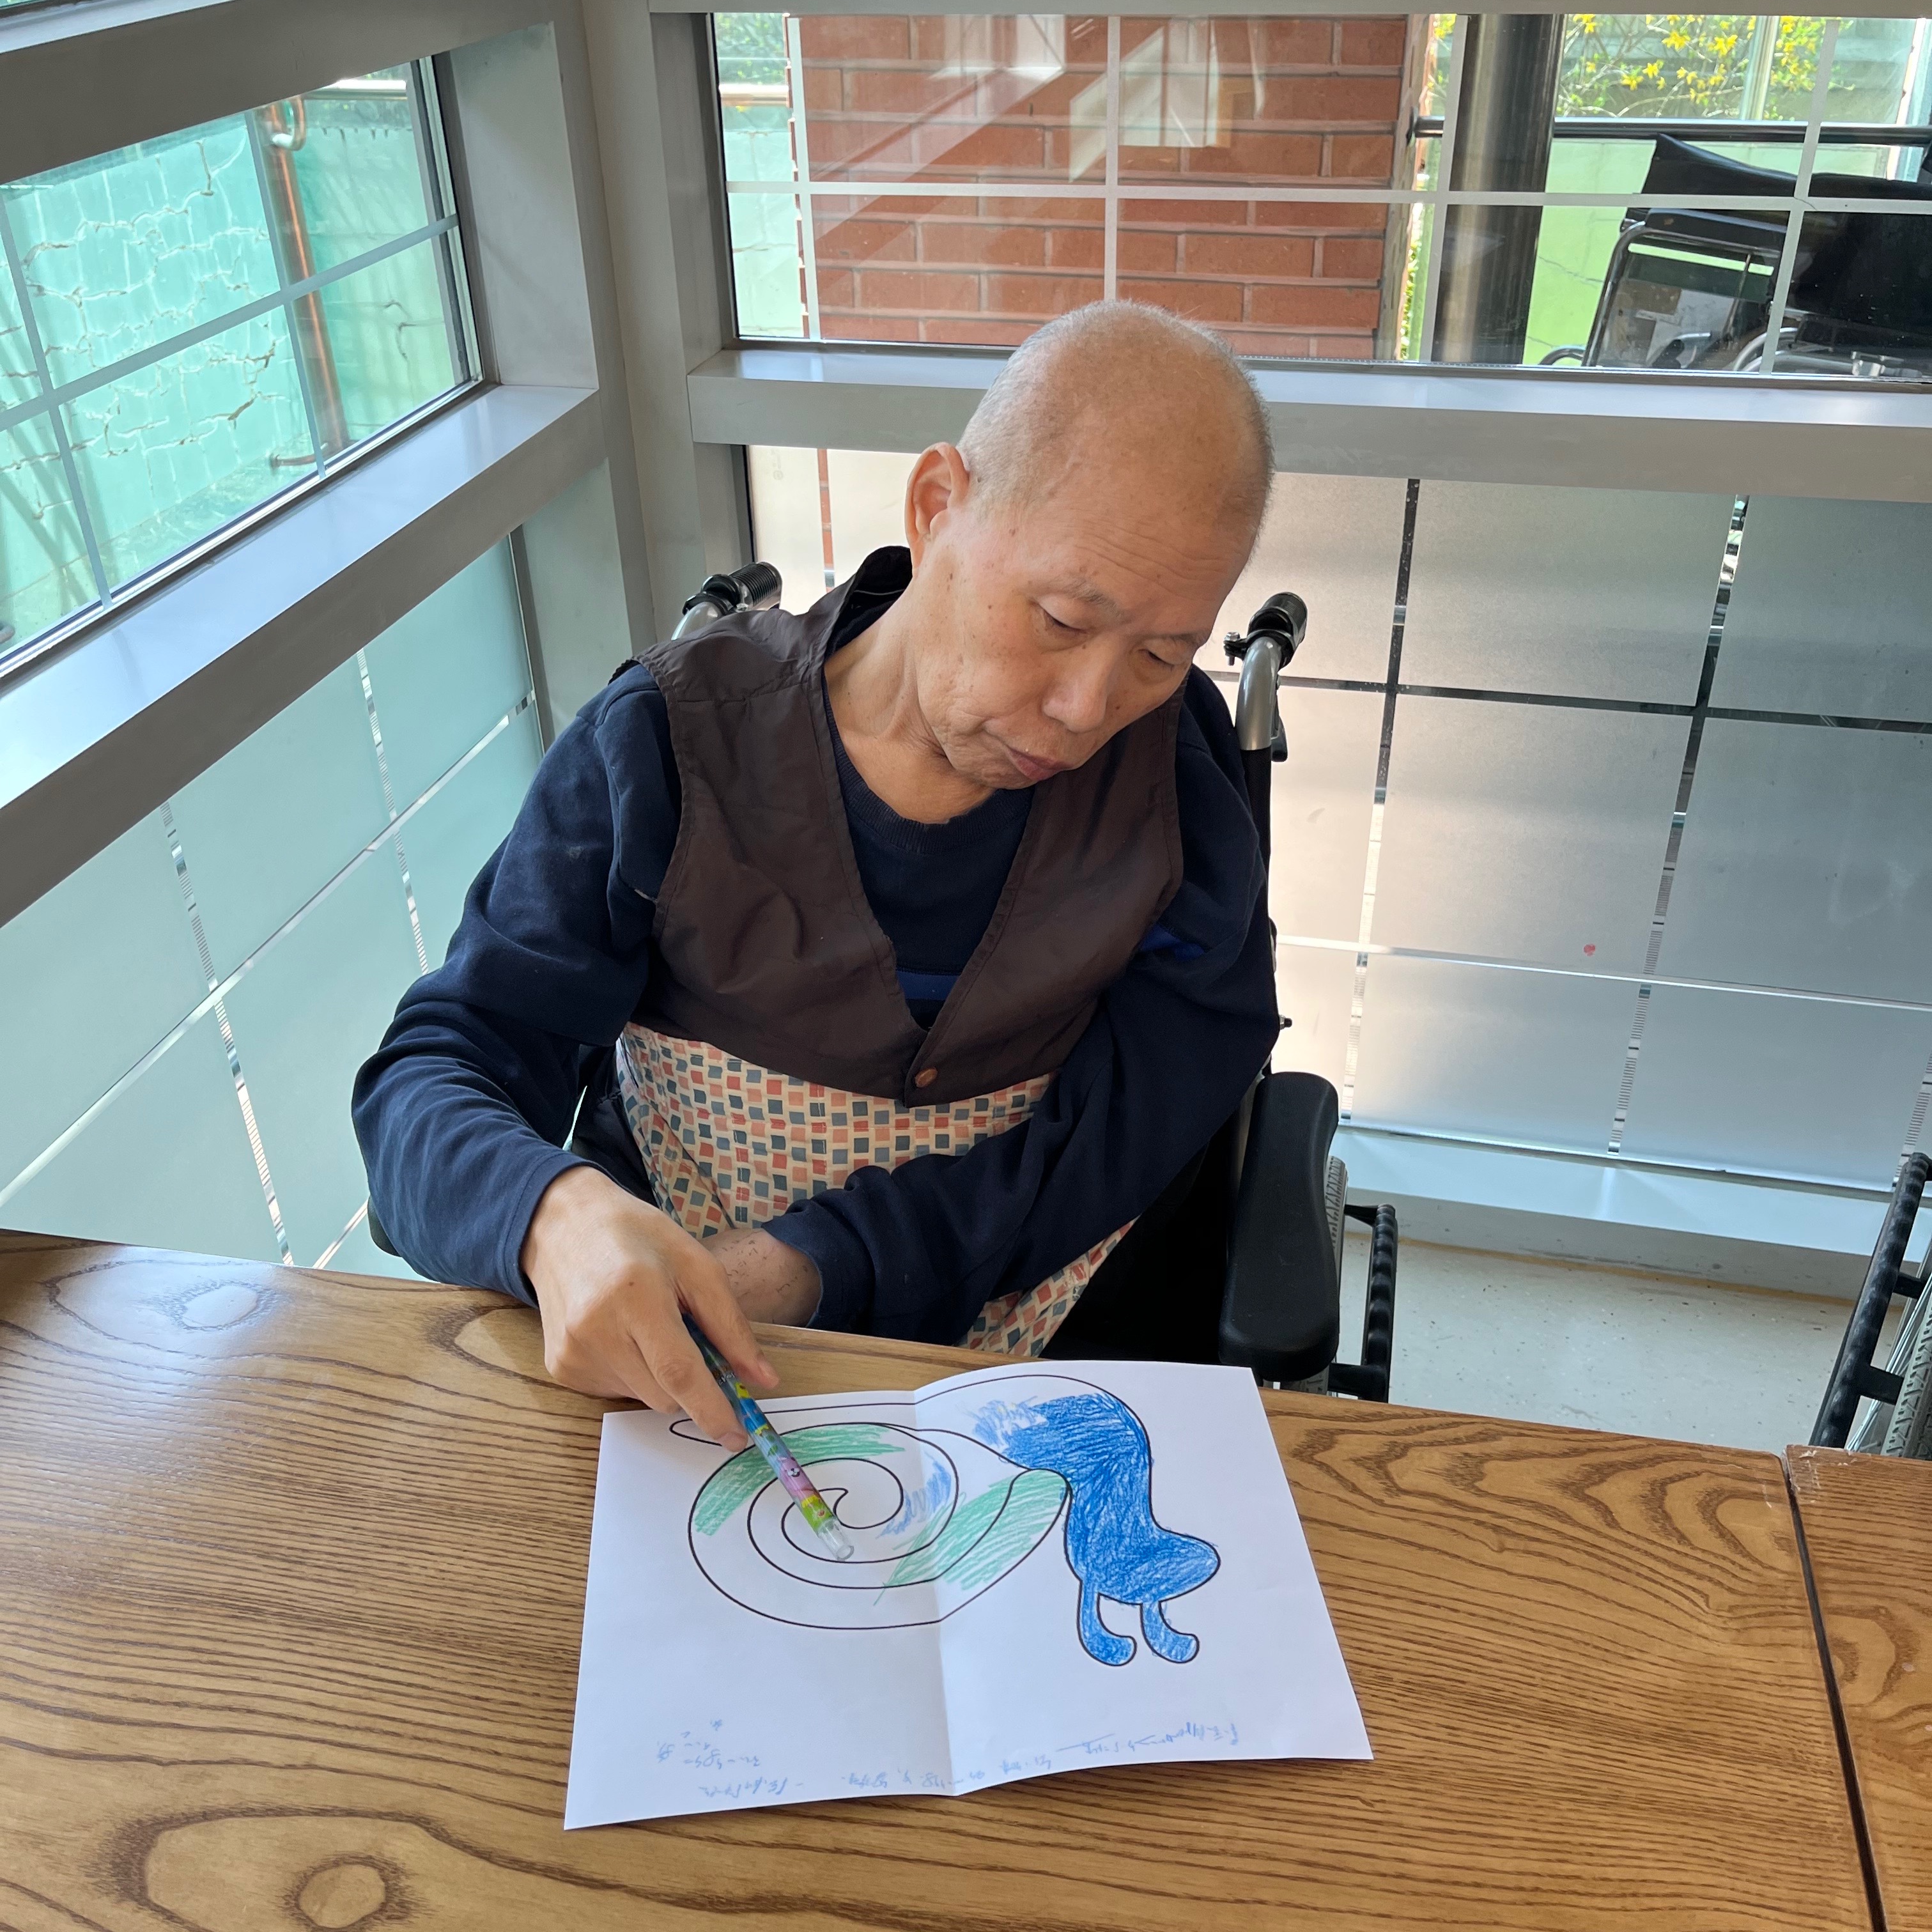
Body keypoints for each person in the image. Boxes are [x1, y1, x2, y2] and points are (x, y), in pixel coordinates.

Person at [352, 300, 1279, 1449]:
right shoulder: (667, 749)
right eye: (1058, 619)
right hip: (680, 1340)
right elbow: (434, 1075)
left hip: (1037, 1324)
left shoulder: (1175, 780)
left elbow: (1157, 1109)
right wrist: (548, 1215)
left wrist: (820, 1260)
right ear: (936, 507)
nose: (1088, 710)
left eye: (1160, 653)